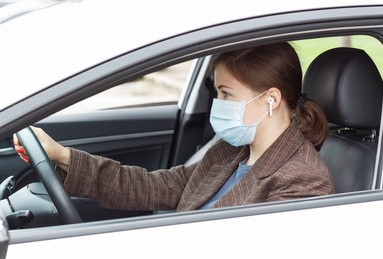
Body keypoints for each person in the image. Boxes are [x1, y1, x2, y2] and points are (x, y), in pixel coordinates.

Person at [14, 42, 335, 212]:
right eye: (217, 93)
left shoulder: (303, 180)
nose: (218, 103)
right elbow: (158, 187)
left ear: (271, 100)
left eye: (226, 94)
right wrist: (64, 156)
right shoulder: (231, 149)